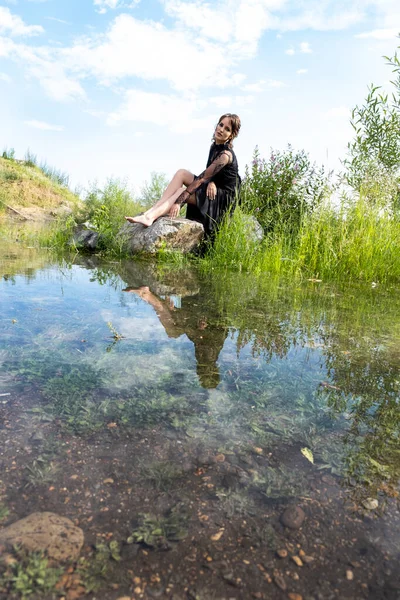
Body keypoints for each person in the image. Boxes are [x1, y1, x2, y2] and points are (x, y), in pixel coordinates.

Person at [125, 113, 241, 237]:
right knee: (182, 173)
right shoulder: (215, 146)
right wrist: (213, 182)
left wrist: (179, 202)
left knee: (181, 191)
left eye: (227, 129)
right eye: (221, 125)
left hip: (221, 199)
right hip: (214, 187)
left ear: (231, 135)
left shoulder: (225, 155)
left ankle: (150, 217)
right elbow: (212, 174)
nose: (221, 129)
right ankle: (150, 212)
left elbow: (203, 178)